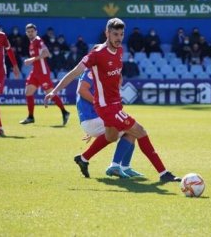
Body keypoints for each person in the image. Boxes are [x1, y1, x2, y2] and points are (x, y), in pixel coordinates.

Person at [45, 18, 181, 183]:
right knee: (140, 131)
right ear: (107, 33)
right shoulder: (97, 54)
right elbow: (74, 72)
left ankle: (84, 158)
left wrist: (118, 81)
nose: (119, 37)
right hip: (107, 108)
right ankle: (163, 173)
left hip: (115, 105)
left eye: (121, 34)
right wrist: (54, 91)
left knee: (111, 136)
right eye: (115, 34)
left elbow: (117, 73)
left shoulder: (120, 50)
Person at [76, 69, 143, 178]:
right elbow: (82, 91)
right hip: (92, 117)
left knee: (130, 128)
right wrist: (101, 107)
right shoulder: (92, 71)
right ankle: (115, 166)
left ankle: (124, 167)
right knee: (130, 128)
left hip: (94, 117)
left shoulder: (101, 72)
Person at [19, 23, 70, 125]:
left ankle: (65, 112)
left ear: (36, 32)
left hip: (42, 72)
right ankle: (30, 117)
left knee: (50, 93)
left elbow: (46, 53)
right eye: (28, 32)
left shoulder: (38, 40)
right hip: (35, 72)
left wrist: (32, 59)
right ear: (26, 33)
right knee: (28, 92)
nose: (30, 33)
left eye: (32, 31)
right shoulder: (32, 42)